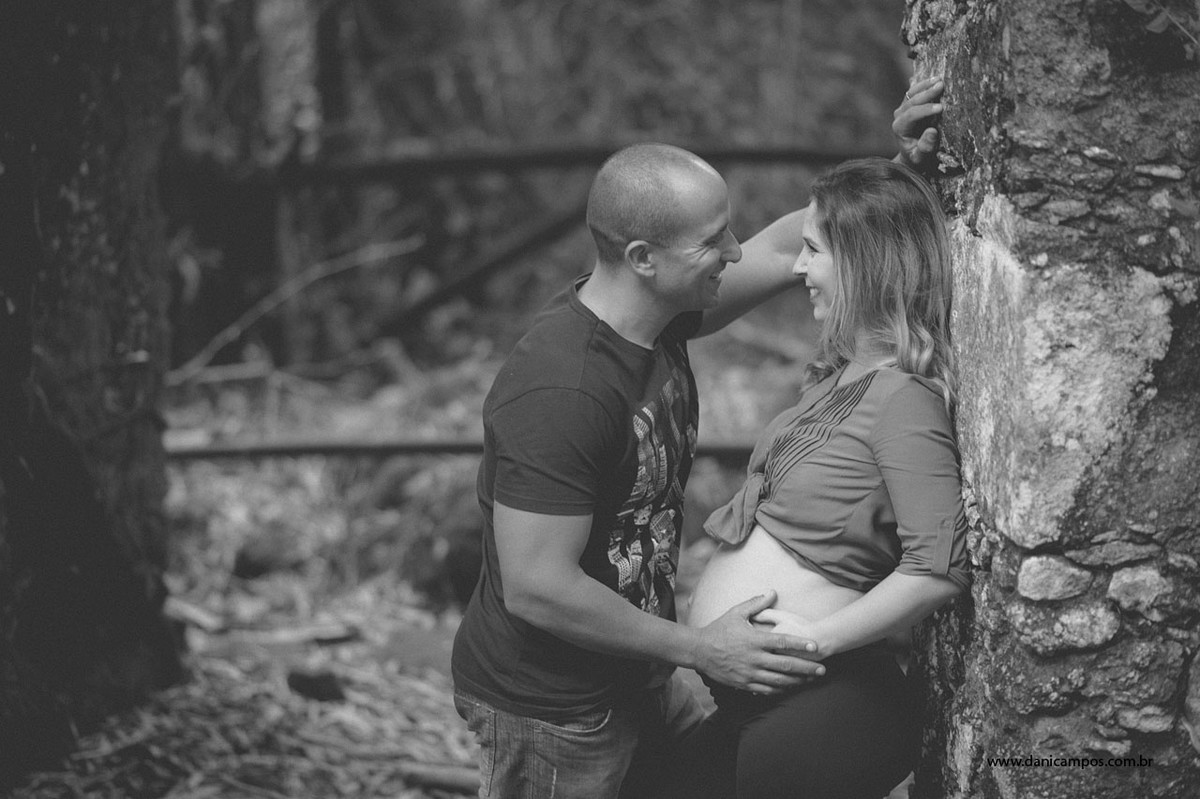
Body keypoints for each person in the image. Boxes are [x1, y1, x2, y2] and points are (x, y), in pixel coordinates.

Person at [451, 78, 947, 799]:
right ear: (643, 258)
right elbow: (537, 587)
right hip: (555, 709)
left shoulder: (666, 316)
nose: (736, 252)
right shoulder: (562, 388)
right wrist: (700, 649)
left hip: (640, 673)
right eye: (713, 241)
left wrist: (894, 171)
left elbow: (791, 246)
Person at [667, 157, 969, 799]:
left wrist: (816, 638)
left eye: (813, 250)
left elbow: (938, 567)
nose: (799, 267)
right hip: (765, 705)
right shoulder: (840, 377)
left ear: (864, 263)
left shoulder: (904, 398)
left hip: (826, 707)